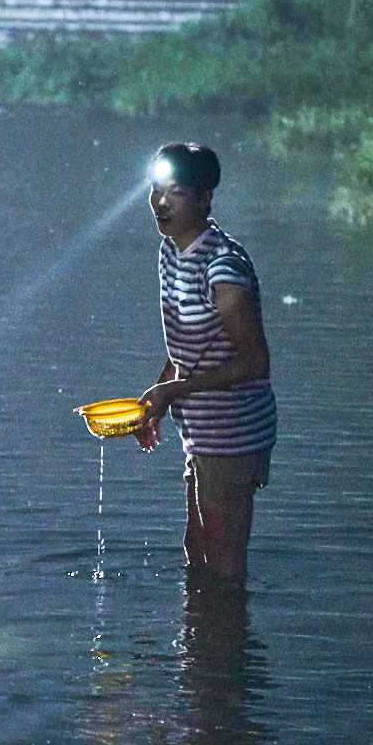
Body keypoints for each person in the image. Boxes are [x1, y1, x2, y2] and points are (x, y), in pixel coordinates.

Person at [132, 141, 277, 584]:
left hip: (235, 432)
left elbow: (255, 363)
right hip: (199, 430)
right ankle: (201, 647)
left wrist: (173, 391)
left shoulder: (222, 267)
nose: (159, 202)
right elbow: (188, 344)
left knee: (223, 561)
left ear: (204, 198)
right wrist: (156, 397)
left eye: (174, 192)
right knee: (196, 548)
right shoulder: (171, 254)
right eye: (155, 190)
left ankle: (229, 647)